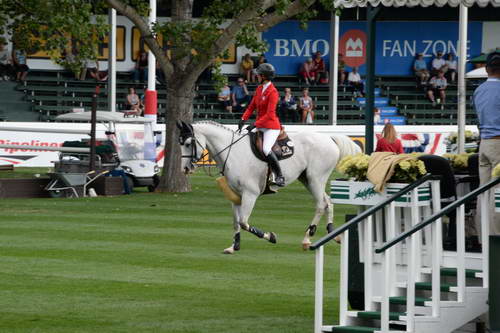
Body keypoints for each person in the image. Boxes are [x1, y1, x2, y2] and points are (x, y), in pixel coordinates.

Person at [238, 63, 285, 187]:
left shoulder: (273, 92)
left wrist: (254, 124)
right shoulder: (259, 89)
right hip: (260, 124)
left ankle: (279, 175)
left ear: (263, 76)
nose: (256, 76)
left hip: (271, 126)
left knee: (265, 149)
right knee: (242, 140)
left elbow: (270, 114)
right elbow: (251, 106)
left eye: (258, 75)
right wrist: (243, 119)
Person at [473, 51, 500, 237]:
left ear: (487, 69)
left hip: (484, 143)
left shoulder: (478, 90)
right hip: (498, 144)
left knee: (484, 191)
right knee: (498, 194)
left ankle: (482, 235)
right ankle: (495, 236)